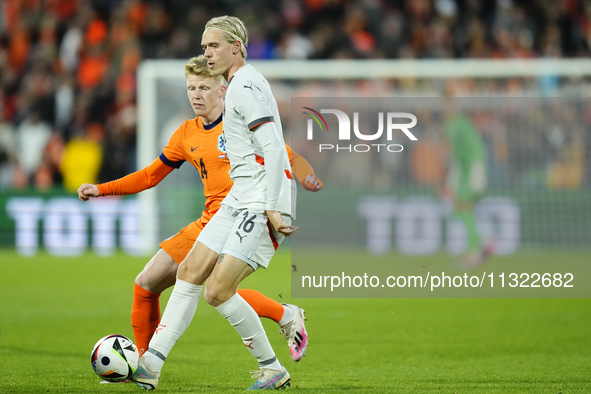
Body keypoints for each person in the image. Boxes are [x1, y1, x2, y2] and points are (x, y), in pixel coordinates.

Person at [77, 54, 321, 383]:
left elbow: (286, 154)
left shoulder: (240, 121)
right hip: (211, 220)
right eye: (191, 87)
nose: (195, 95)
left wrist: (306, 178)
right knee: (146, 283)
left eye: (203, 87)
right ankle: (144, 362)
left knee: (218, 289)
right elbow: (150, 176)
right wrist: (102, 189)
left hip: (245, 215)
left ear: (222, 90)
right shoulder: (186, 134)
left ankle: (278, 330)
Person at [130, 16, 302, 390]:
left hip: (260, 200)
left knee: (217, 291)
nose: (207, 53)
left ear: (237, 47)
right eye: (205, 46)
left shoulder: (246, 86)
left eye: (214, 46)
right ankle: (151, 363)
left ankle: (272, 364)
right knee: (191, 270)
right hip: (242, 195)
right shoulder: (236, 83)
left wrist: (273, 205)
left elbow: (273, 147)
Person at [441, 98, 493, 268]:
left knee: (464, 209)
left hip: (471, 170)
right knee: (462, 209)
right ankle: (480, 245)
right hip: (465, 171)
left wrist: (476, 171)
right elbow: (457, 154)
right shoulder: (456, 124)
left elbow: (470, 150)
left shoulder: (458, 125)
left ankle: (476, 249)